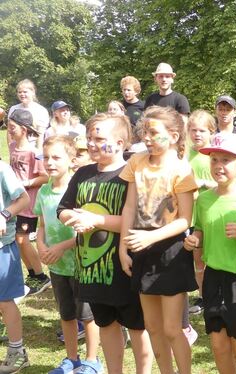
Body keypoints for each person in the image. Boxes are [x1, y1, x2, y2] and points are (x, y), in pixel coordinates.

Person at [58, 113, 153, 374]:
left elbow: (137, 218)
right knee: (106, 323)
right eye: (89, 138)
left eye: (99, 138)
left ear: (120, 143)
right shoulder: (83, 174)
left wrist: (97, 220)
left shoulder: (131, 175)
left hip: (125, 267)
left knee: (136, 326)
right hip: (92, 271)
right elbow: (63, 208)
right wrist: (73, 217)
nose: (91, 143)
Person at [118, 106, 198, 374]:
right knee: (152, 327)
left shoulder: (181, 169)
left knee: (172, 329)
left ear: (174, 136)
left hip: (170, 253)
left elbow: (185, 219)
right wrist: (122, 249)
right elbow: (128, 207)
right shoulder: (136, 162)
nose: (148, 138)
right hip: (140, 249)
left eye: (154, 133)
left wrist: (151, 236)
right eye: (145, 132)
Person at [184, 132, 236, 373]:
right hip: (214, 277)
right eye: (214, 160)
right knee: (219, 347)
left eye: (226, 160)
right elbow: (200, 227)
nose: (219, 166)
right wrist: (195, 239)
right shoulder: (204, 200)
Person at [36, 135, 103, 373]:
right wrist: (42, 247)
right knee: (66, 314)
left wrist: (61, 247)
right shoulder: (43, 192)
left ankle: (92, 360)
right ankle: (71, 359)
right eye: (46, 157)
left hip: (80, 265)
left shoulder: (78, 190)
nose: (50, 162)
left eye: (56, 157)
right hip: (57, 267)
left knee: (87, 315)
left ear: (72, 160)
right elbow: (41, 225)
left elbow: (87, 231)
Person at [7, 109, 50, 296]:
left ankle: (41, 277)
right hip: (14, 202)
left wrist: (26, 183)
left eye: (12, 127)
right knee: (18, 240)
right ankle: (33, 274)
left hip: (29, 205)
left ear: (24, 130)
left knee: (22, 239)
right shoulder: (12, 147)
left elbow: (45, 177)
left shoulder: (34, 153)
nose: (9, 130)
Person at [185, 110, 217, 316]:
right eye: (193, 130)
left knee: (213, 255)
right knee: (197, 258)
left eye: (202, 131)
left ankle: (216, 292)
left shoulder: (213, 155)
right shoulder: (186, 154)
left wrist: (203, 184)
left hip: (211, 212)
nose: (197, 134)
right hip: (191, 214)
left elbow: (226, 182)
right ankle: (203, 295)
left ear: (211, 132)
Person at [0, 160, 30, 374]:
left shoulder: (1, 168)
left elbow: (23, 198)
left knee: (4, 300)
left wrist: (4, 215)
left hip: (2, 245)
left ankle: (17, 351)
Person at [4, 79, 49, 150]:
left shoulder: (41, 110)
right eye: (19, 92)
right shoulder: (13, 109)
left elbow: (40, 135)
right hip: (16, 147)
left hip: (32, 148)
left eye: (25, 92)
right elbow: (9, 131)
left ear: (33, 92)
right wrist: (11, 148)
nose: (22, 94)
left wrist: (38, 152)